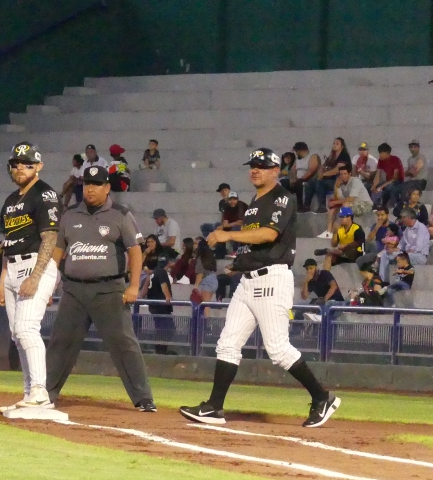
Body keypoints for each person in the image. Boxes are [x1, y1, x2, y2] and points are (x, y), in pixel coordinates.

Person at [180, 148, 341, 429]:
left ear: (276, 170)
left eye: (262, 166)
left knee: (278, 349)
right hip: (249, 280)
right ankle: (214, 408)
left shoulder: (282, 198)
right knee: (228, 344)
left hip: (272, 280)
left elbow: (269, 234)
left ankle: (322, 397)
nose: (255, 169)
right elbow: (256, 242)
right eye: (253, 165)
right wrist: (239, 262)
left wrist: (227, 234)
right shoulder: (255, 202)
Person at [44, 164, 156, 411]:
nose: (90, 189)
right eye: (87, 184)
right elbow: (58, 253)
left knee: (124, 343)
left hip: (109, 290)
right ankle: (46, 393)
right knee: (60, 342)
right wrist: (47, 286)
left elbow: (135, 251)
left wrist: (134, 285)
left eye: (96, 185)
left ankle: (143, 398)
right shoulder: (70, 214)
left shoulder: (120, 214)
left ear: (107, 188)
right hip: (73, 290)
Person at [0, 141, 60, 411]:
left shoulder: (44, 194)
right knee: (16, 334)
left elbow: (50, 237)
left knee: (26, 329)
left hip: (35, 265)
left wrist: (35, 276)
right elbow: (8, 242)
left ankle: (40, 392)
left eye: (27, 164)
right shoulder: (11, 200)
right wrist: (2, 280)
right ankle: (28, 392)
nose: (21, 168)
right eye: (16, 164)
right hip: (12, 268)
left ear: (39, 167)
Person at [304, 137, 351, 213]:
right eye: (334, 143)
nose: (335, 145)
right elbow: (323, 166)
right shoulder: (332, 156)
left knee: (320, 182)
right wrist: (320, 172)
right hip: (329, 180)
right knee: (310, 183)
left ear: (342, 146)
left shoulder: (344, 156)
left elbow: (337, 170)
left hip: (340, 181)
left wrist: (323, 175)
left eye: (337, 144)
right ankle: (306, 206)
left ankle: (322, 206)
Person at [323, 163, 372, 236]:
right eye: (341, 174)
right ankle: (328, 232)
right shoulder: (341, 184)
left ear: (350, 174)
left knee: (345, 205)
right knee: (333, 209)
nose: (342, 176)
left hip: (365, 204)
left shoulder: (355, 181)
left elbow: (351, 198)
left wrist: (335, 202)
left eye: (345, 174)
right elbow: (338, 198)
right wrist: (336, 186)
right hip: (350, 204)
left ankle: (340, 230)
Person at [144, 255, 174, 355]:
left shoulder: (154, 272)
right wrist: (168, 297)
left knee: (163, 329)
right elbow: (164, 285)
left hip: (154, 306)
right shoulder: (162, 272)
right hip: (161, 307)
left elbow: (145, 287)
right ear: (168, 263)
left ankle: (161, 351)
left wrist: (140, 296)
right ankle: (161, 352)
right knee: (164, 330)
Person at [371, 143, 404, 209]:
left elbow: (395, 178)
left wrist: (382, 186)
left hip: (398, 181)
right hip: (388, 181)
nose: (380, 155)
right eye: (379, 153)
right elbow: (378, 175)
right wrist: (374, 186)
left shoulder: (395, 159)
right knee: (371, 187)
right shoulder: (380, 160)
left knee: (389, 187)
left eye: (382, 153)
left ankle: (390, 205)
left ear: (387, 153)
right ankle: (375, 206)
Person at [290, 141, 320, 212]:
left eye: (297, 151)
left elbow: (312, 170)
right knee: (284, 183)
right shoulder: (297, 159)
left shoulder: (313, 156)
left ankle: (301, 205)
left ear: (301, 150)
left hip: (309, 179)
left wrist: (300, 179)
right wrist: (293, 179)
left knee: (299, 184)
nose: (296, 153)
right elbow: (293, 170)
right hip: (298, 179)